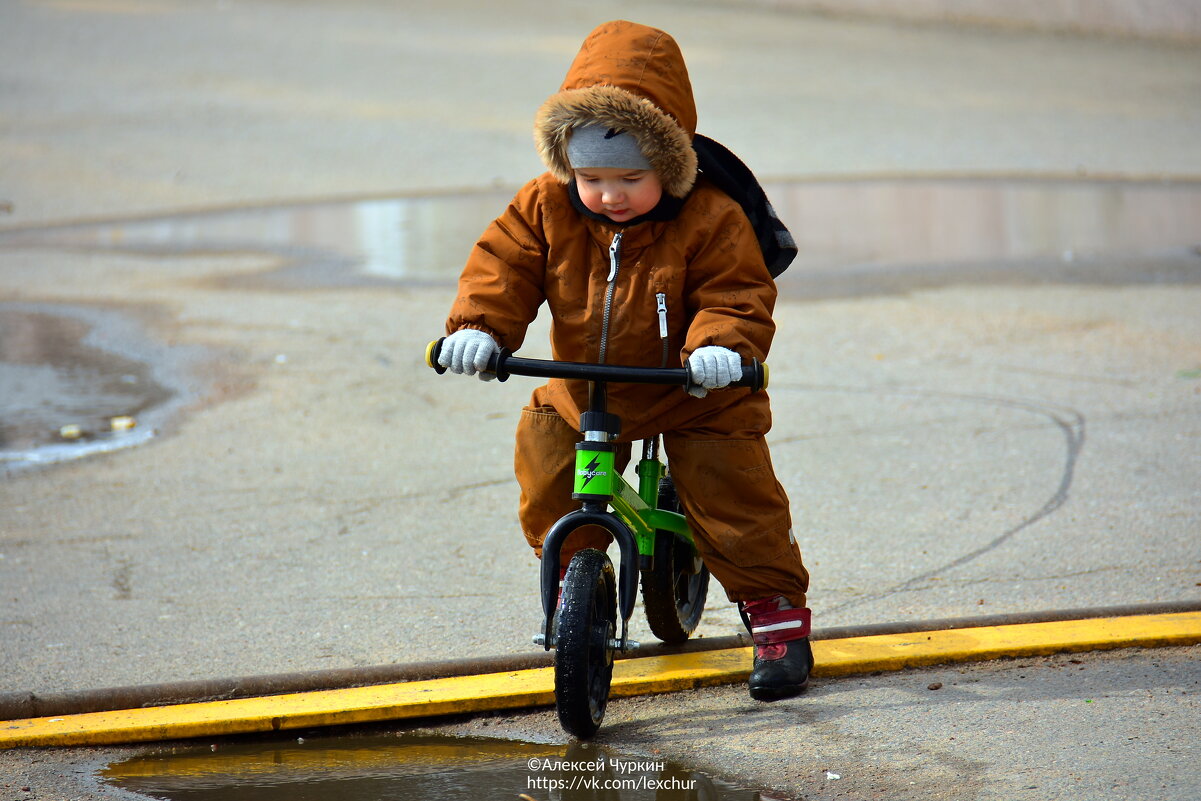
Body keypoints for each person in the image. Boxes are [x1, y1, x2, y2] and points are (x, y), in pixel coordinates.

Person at [437, 20, 812, 701]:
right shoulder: (544, 207)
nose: (608, 193)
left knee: (732, 489)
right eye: (590, 177)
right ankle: (576, 581)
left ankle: (774, 615)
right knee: (547, 460)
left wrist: (722, 346)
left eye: (630, 177)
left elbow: (736, 289)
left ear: (667, 164)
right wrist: (480, 329)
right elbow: (503, 266)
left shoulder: (709, 216)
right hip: (586, 385)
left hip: (694, 384)